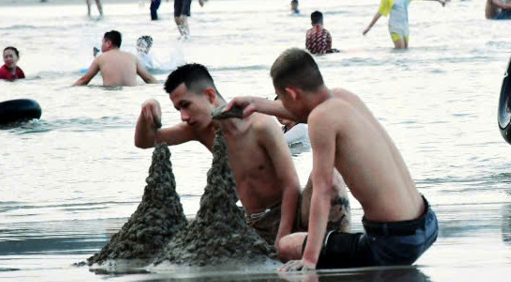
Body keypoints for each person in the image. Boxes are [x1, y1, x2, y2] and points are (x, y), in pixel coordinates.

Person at [223, 49, 437, 271]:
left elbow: (322, 189)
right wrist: (255, 104)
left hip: (392, 243)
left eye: (283, 98)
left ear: (292, 94)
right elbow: (301, 111)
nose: (284, 109)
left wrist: (309, 259)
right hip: (426, 223)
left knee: (287, 245)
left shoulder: (320, 119)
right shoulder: (345, 98)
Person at [134, 63, 350, 249]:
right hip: (253, 223)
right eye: (177, 109)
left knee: (330, 176)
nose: (183, 116)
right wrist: (147, 110)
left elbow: (290, 184)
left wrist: (282, 236)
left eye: (186, 105)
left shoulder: (260, 125)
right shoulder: (198, 130)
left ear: (209, 95)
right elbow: (145, 142)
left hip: (291, 216)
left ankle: (336, 248)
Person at [363, 0, 445, 49]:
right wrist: (369, 27)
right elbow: (379, 13)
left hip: (405, 26)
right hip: (394, 27)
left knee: (405, 51)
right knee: (400, 49)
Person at [74, 30, 156, 87]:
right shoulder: (132, 57)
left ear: (108, 43)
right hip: (131, 95)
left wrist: (68, 88)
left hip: (111, 95)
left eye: (102, 42)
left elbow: (84, 80)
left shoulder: (100, 58)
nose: (101, 45)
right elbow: (149, 79)